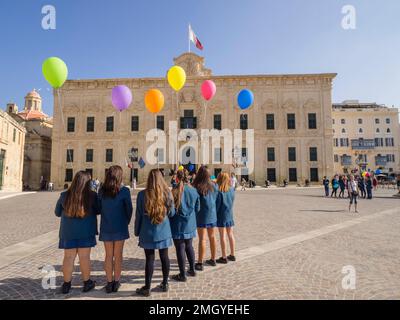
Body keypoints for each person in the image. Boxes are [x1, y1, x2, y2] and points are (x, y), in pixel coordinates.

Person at [54, 171, 100, 294]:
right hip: (86, 231)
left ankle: (66, 284)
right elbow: (99, 210)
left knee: (68, 258)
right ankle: (87, 282)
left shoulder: (64, 195)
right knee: (84, 257)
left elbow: (57, 212)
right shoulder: (92, 196)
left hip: (68, 232)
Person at [134, 169, 175, 297]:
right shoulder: (167, 193)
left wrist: (137, 231)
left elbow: (138, 215)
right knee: (164, 257)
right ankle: (165, 283)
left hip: (147, 231)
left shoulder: (142, 195)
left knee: (149, 259)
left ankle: (147, 287)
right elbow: (172, 213)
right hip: (163, 231)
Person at [99, 166, 133, 294]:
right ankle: (116, 281)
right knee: (118, 255)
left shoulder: (102, 191)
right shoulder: (124, 191)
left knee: (108, 255)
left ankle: (109, 283)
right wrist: (126, 221)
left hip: (106, 226)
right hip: (120, 226)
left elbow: (98, 207)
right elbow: (129, 209)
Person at [170, 170, 200, 281]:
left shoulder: (175, 191)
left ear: (177, 178)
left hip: (178, 224)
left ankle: (182, 274)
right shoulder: (194, 191)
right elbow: (197, 208)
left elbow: (171, 211)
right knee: (189, 246)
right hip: (190, 223)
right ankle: (192, 269)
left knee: (180, 248)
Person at [192, 166, 218, 271]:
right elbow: (215, 199)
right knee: (212, 237)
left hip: (201, 215)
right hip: (212, 214)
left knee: (202, 239)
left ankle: (200, 262)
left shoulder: (197, 187)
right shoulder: (214, 186)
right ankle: (213, 259)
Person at [216, 173, 236, 264]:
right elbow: (232, 201)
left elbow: (217, 206)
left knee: (222, 235)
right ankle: (232, 254)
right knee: (231, 234)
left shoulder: (219, 191)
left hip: (221, 215)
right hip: (229, 214)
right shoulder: (232, 190)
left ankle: (224, 256)